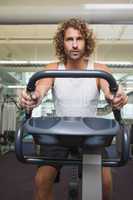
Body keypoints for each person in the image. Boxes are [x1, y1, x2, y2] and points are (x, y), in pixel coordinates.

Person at [19, 18, 128, 200]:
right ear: (63, 43)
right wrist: (32, 97)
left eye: (79, 39)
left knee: (104, 184)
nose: (75, 45)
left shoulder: (99, 69)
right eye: (70, 39)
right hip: (59, 135)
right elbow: (40, 89)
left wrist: (116, 97)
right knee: (41, 180)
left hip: (90, 135)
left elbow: (111, 90)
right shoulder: (53, 68)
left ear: (87, 42)